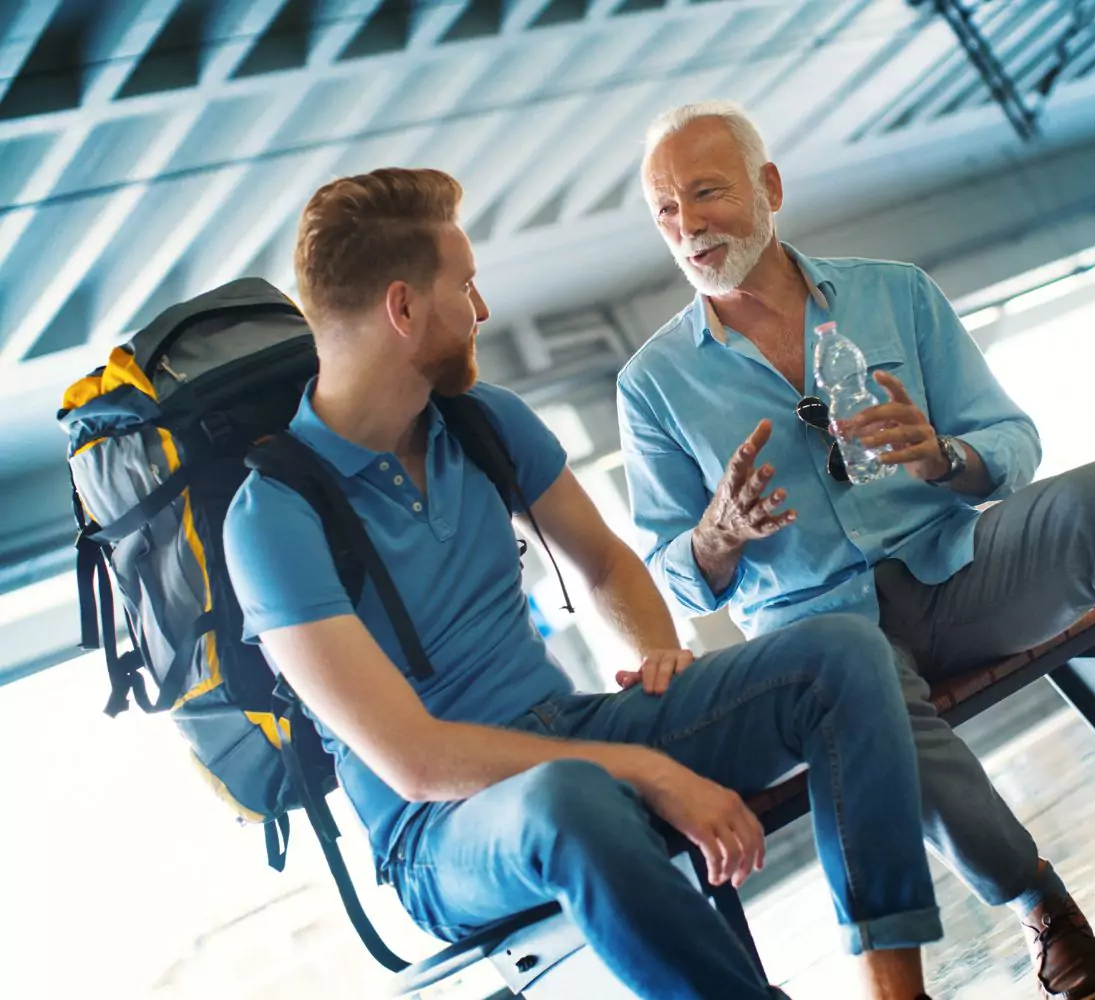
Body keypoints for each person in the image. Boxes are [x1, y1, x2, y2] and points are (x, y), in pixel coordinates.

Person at [615, 101, 1095, 1000]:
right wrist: (715, 538)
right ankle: (1044, 908)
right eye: (665, 210)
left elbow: (1012, 442)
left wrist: (948, 456)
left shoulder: (892, 293)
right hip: (824, 631)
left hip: (957, 564)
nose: (687, 226)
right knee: (853, 676)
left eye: (705, 193)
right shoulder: (652, 385)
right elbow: (678, 579)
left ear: (768, 189)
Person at [222, 167, 948, 1000]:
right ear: (403, 308)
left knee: (842, 656)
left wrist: (655, 651)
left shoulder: (482, 420)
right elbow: (417, 763)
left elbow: (603, 561)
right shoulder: (272, 516)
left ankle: (897, 990)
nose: (482, 310)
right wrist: (649, 773)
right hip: (442, 831)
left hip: (567, 731)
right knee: (571, 797)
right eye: (465, 286)